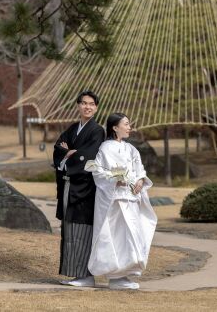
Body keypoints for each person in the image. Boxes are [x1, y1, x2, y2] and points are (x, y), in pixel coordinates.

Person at [86, 113, 157, 290]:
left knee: (132, 235)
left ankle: (125, 274)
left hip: (131, 198)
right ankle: (115, 275)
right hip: (114, 200)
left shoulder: (131, 149)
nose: (129, 127)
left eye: (129, 124)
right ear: (115, 127)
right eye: (126, 124)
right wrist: (115, 180)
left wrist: (140, 180)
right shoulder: (105, 148)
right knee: (115, 236)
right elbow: (98, 172)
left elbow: (139, 169)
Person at [53, 90, 105, 287]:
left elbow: (89, 156)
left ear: (96, 107)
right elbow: (59, 148)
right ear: (78, 105)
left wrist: (69, 154)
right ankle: (76, 274)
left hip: (85, 188)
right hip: (68, 185)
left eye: (91, 104)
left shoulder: (97, 130)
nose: (87, 107)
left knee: (82, 229)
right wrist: (68, 154)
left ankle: (86, 275)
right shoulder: (73, 128)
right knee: (68, 229)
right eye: (84, 103)